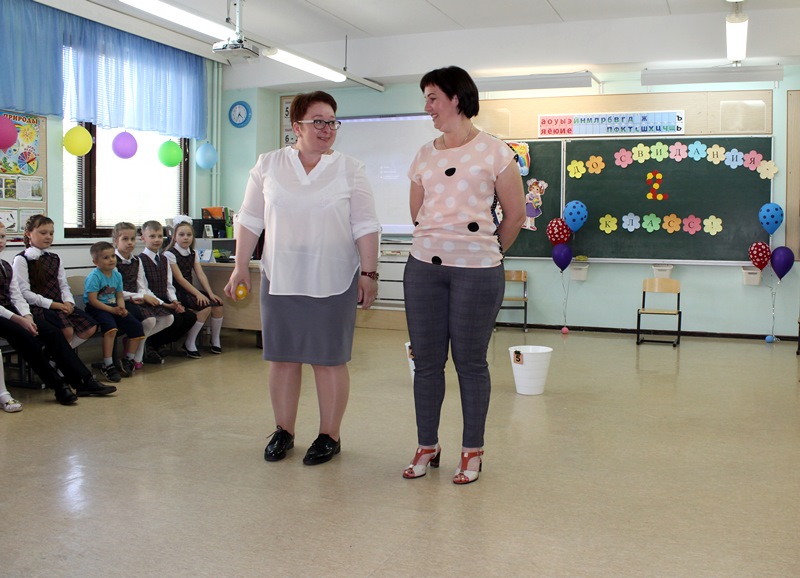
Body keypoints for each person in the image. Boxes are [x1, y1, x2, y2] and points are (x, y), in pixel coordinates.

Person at [224, 91, 380, 466]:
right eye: (318, 122)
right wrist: (240, 265)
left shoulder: (350, 168)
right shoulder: (268, 164)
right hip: (281, 276)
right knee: (283, 359)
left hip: (333, 277)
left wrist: (369, 273)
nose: (327, 129)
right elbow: (250, 218)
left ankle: (329, 435)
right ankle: (284, 431)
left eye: (332, 122)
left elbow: (365, 224)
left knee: (329, 360)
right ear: (297, 127)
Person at [402, 66, 526, 485]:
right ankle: (427, 444)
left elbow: (515, 215)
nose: (427, 106)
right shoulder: (424, 154)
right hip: (424, 268)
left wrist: (486, 252)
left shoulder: (496, 152)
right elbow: (418, 213)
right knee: (426, 363)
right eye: (426, 98)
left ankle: (472, 450)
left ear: (456, 98)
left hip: (478, 271)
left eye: (433, 97)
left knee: (471, 363)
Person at [0, 222, 115, 402]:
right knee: (27, 338)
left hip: (12, 310)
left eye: (2, 236)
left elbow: (16, 296)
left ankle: (83, 381)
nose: (1, 241)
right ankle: (58, 385)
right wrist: (20, 319)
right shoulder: (19, 260)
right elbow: (22, 295)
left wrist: (27, 316)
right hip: (3, 315)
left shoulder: (5, 265)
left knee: (53, 333)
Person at [12, 214, 98, 350]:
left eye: (51, 233)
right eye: (43, 233)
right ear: (29, 234)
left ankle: (55, 356)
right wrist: (53, 304)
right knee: (67, 330)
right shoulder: (21, 259)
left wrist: (69, 302)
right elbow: (24, 293)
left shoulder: (55, 258)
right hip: (38, 307)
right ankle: (61, 358)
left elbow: (63, 285)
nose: (48, 237)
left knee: (90, 327)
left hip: (59, 304)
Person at [112, 222, 174, 369]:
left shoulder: (136, 260)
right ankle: (135, 356)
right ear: (115, 241)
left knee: (168, 318)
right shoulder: (113, 260)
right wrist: (142, 297)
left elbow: (142, 285)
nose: (130, 242)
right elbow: (116, 291)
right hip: (121, 301)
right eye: (125, 239)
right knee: (150, 321)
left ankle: (134, 342)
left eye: (132, 239)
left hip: (138, 299)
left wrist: (156, 301)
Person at [83, 241, 145, 382]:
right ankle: (108, 364)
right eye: (106, 257)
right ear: (95, 262)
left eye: (112, 256)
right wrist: (112, 310)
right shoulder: (94, 277)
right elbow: (92, 301)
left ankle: (128, 360)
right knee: (111, 329)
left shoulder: (117, 276)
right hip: (97, 308)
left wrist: (122, 308)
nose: (111, 260)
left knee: (136, 326)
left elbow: (119, 296)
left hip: (114, 306)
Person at [164, 216, 224, 358]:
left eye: (189, 235)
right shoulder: (169, 254)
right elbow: (180, 279)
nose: (185, 238)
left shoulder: (193, 253)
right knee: (204, 306)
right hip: (177, 292)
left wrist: (210, 293)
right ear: (174, 237)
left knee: (217, 304)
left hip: (190, 290)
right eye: (181, 235)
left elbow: (200, 274)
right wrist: (198, 294)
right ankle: (189, 342)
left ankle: (215, 340)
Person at [138, 220, 197, 357]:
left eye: (160, 236)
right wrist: (164, 304)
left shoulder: (164, 259)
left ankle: (158, 343)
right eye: (152, 236)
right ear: (143, 238)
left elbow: (169, 285)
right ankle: (150, 344)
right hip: (150, 301)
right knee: (175, 319)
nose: (157, 240)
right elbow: (143, 288)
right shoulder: (140, 260)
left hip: (165, 299)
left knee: (189, 317)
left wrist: (175, 301)